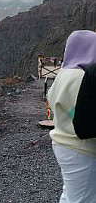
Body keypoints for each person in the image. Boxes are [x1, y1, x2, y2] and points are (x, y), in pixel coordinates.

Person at [47, 30, 96, 202]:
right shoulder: (84, 77)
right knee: (83, 198)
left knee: (70, 193)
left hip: (61, 141)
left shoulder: (63, 74)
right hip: (81, 146)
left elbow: (52, 101)